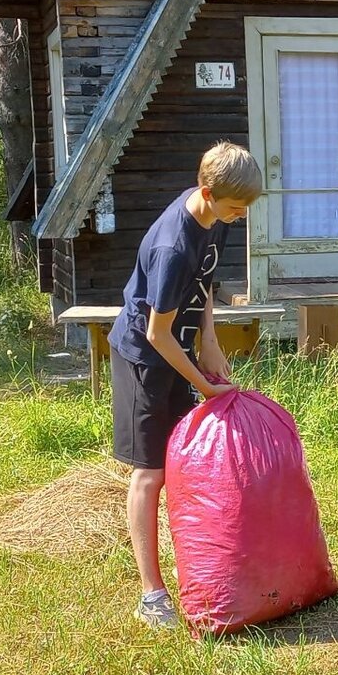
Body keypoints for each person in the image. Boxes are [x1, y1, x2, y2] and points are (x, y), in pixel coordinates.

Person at [107, 141, 263, 627]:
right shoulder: (172, 246)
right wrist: (202, 382)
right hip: (145, 358)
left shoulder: (215, 219)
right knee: (151, 473)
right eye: (235, 209)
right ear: (206, 192)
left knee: (186, 463)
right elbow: (157, 333)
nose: (239, 218)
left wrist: (209, 339)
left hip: (178, 348)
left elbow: (206, 285)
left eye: (243, 211)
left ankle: (197, 564)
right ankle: (151, 595)